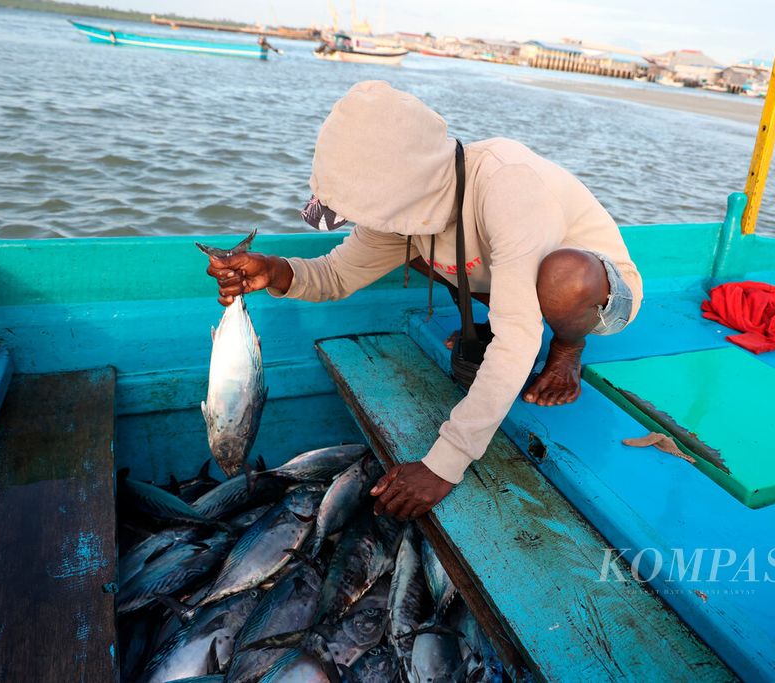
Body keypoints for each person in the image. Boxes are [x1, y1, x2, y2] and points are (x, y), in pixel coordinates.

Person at [206, 81, 642, 520]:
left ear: (404, 188)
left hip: (594, 292)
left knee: (561, 280)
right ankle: (490, 317)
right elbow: (337, 274)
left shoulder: (508, 183)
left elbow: (517, 343)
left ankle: (569, 347)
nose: (360, 222)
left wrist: (444, 465)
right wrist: (275, 270)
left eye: (363, 211)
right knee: (415, 256)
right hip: (507, 274)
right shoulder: (410, 203)